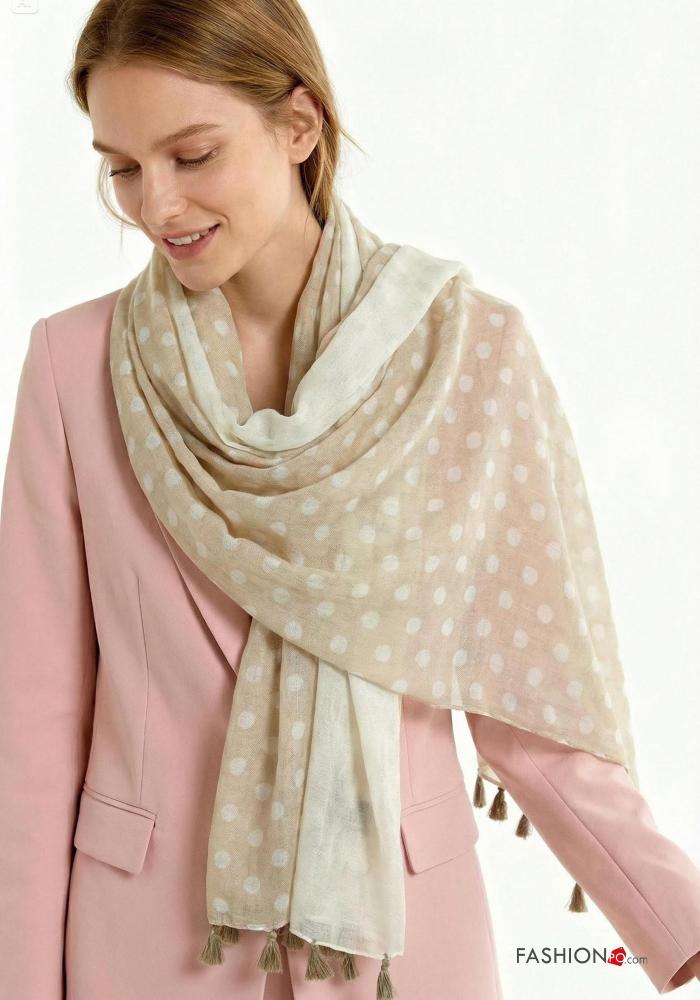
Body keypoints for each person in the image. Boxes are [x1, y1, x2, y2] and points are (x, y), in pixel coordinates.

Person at [1, 2, 699, 998]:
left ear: (299, 124)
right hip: (146, 948)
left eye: (192, 155)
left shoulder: (463, 359)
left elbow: (528, 704)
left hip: (404, 948)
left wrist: (681, 926)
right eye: (123, 168)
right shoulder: (75, 367)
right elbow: (30, 733)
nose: (156, 205)